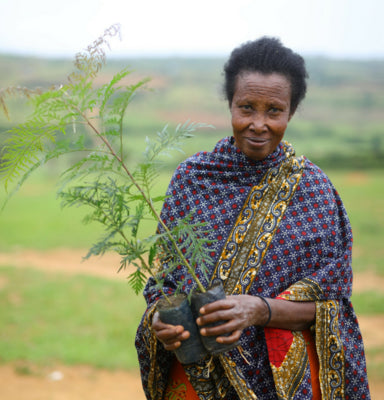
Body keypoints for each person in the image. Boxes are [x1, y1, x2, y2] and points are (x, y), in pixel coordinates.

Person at [135, 37, 370, 400]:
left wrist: (258, 310)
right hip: (197, 379)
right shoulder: (192, 180)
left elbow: (330, 307)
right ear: (230, 105)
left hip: (284, 383)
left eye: (274, 110)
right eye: (246, 107)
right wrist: (159, 322)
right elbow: (163, 286)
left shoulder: (314, 191)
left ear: (290, 112)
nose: (258, 124)